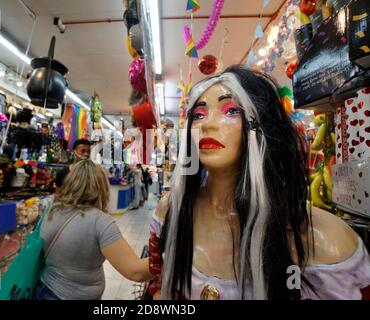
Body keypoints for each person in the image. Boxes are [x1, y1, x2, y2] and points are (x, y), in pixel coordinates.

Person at [148, 65, 370, 300]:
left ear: (263, 126)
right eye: (199, 115)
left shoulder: (319, 238)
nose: (207, 125)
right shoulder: (171, 212)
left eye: (231, 110)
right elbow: (161, 287)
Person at [36, 160, 152, 300]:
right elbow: (136, 271)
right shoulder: (99, 221)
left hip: (45, 289)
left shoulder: (53, 210)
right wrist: (171, 259)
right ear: (101, 185)